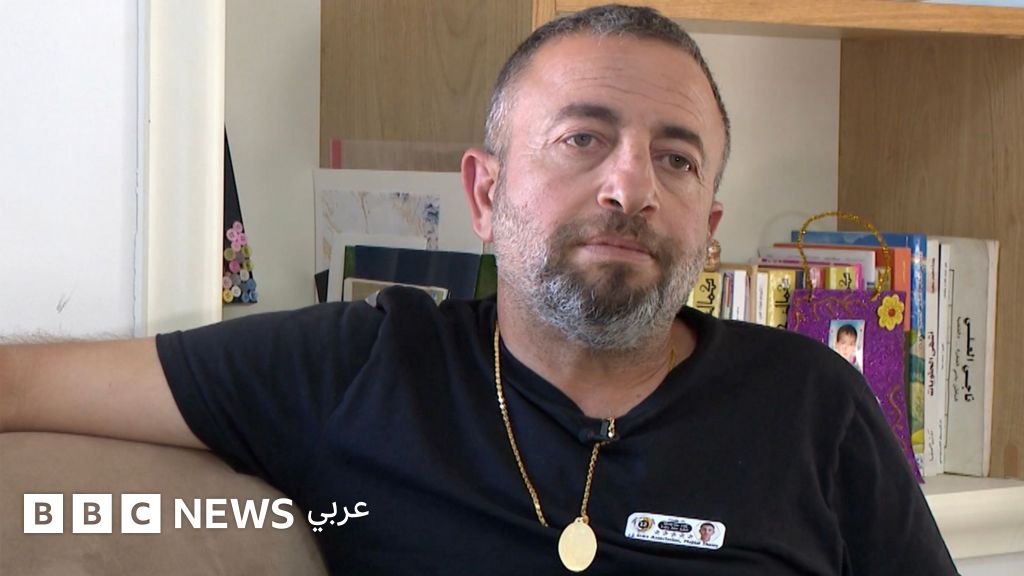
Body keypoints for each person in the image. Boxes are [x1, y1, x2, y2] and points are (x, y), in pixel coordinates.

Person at [0, 4, 959, 575]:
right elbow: (22, 386)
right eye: (583, 139)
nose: (630, 186)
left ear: (707, 228)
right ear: (485, 195)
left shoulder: (811, 406)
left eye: (675, 158)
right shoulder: (363, 370)